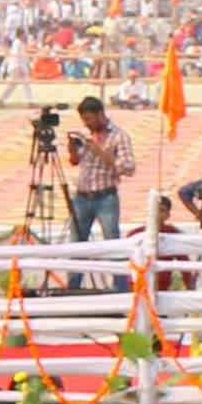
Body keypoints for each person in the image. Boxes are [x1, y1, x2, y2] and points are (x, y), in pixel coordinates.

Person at [63, 95, 134, 292]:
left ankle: (120, 288)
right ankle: (73, 289)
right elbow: (76, 162)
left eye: (91, 119)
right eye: (85, 120)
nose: (88, 124)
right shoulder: (86, 136)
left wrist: (100, 151)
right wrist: (73, 152)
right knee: (77, 245)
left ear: (101, 114)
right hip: (82, 196)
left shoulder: (119, 135)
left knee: (113, 243)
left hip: (105, 197)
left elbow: (128, 167)